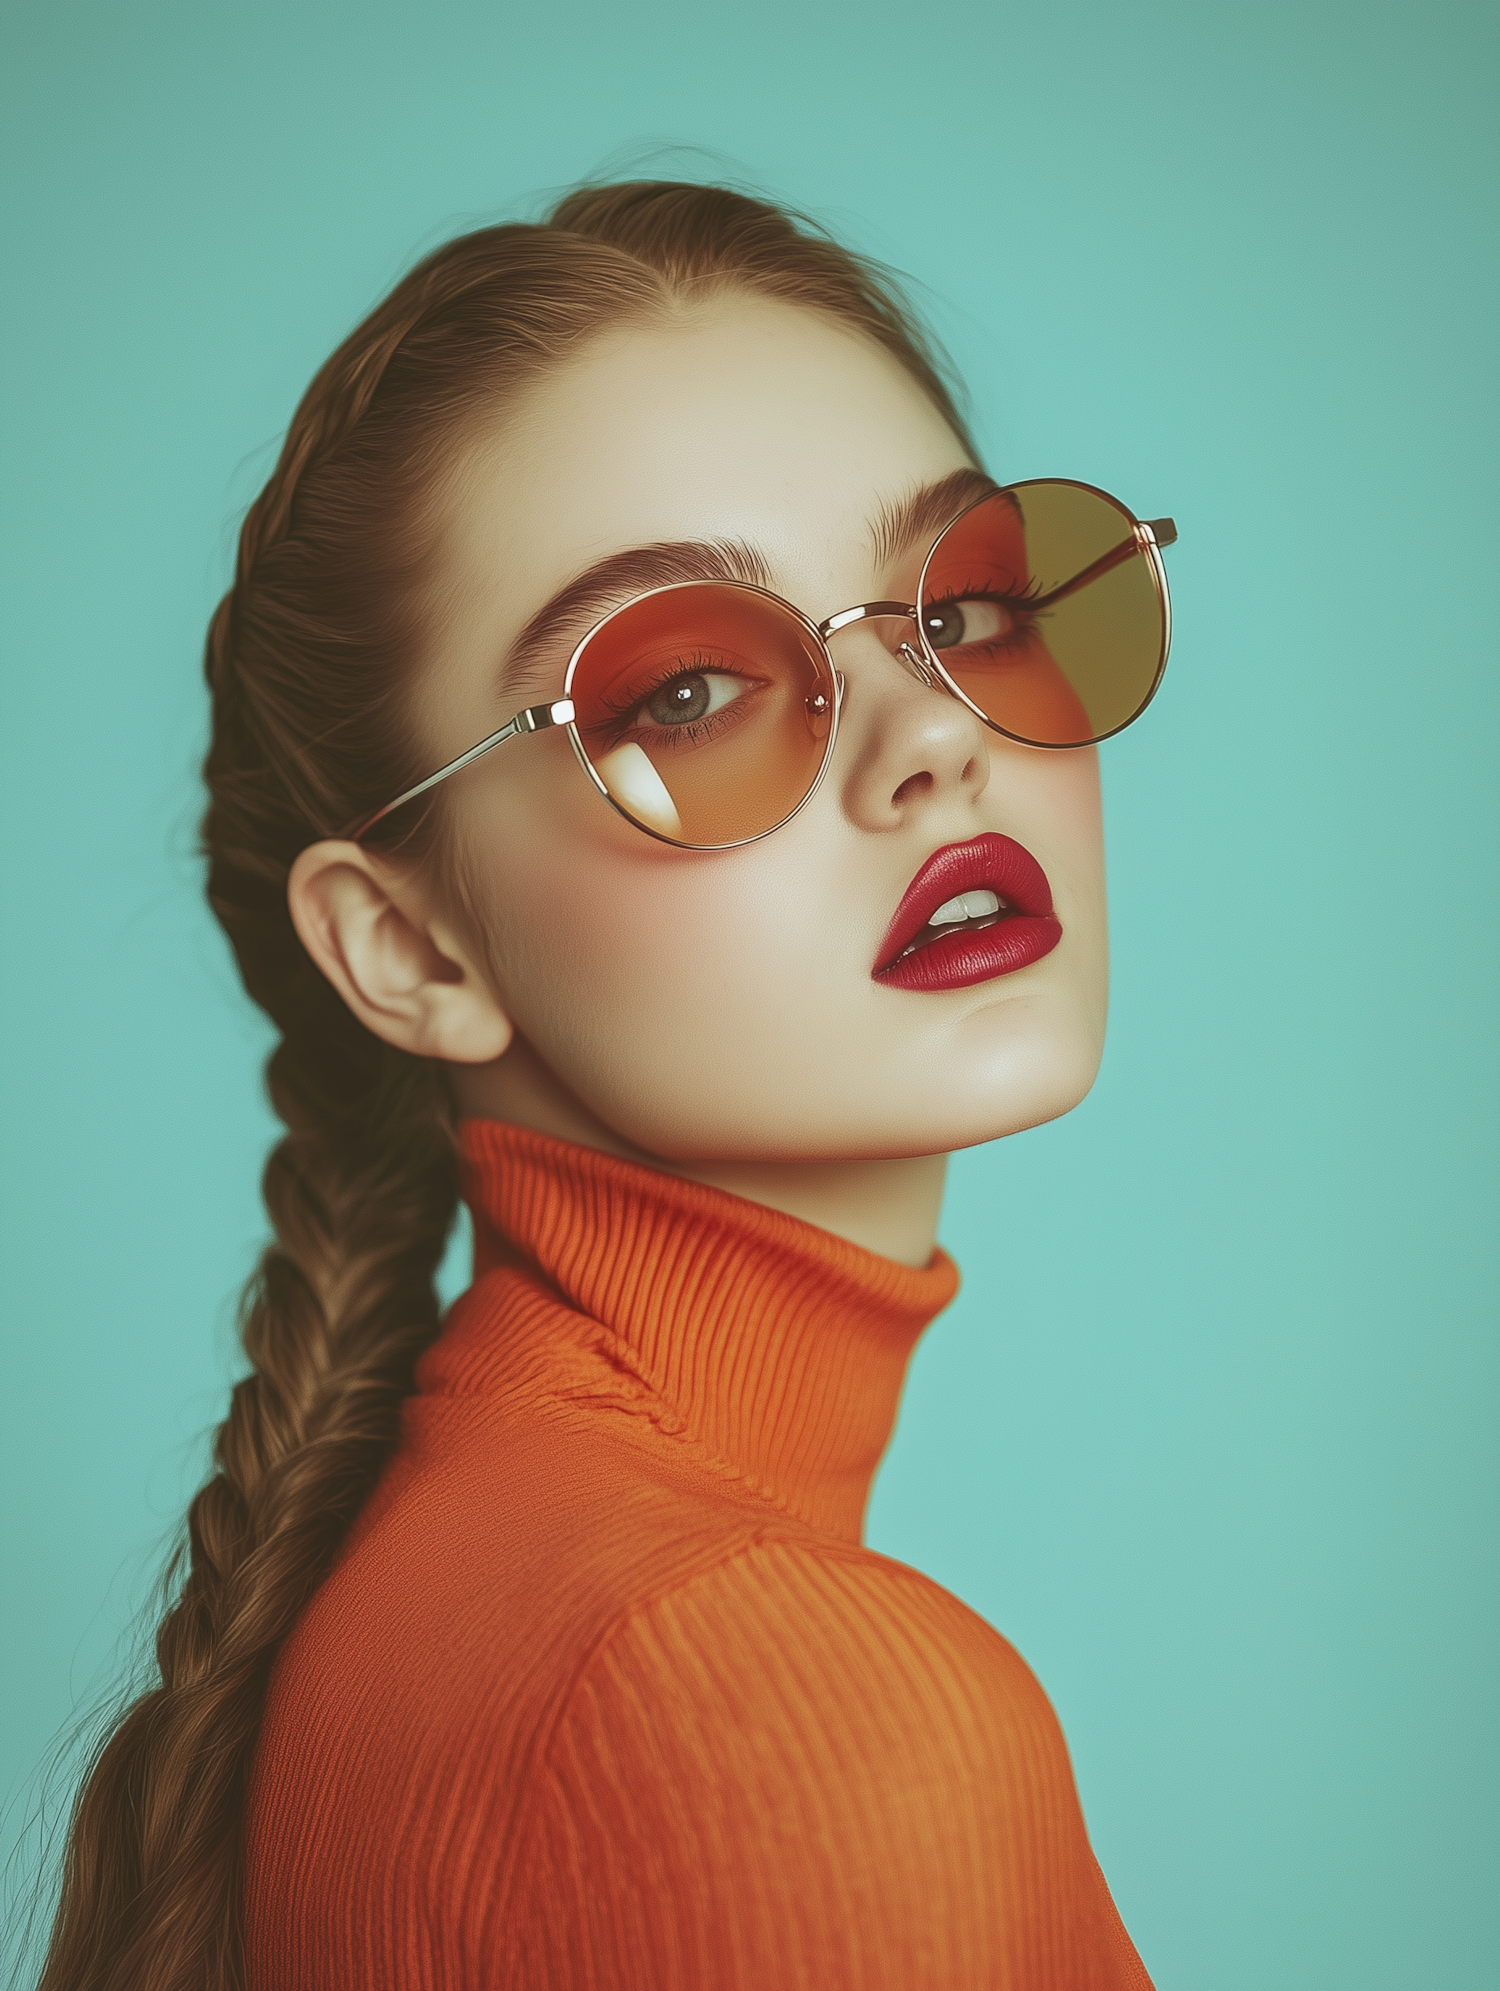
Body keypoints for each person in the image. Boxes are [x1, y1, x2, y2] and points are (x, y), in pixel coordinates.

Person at [39, 180, 1175, 1990]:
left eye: (970, 605)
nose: (935, 738)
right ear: (409, 946)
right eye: (695, 688)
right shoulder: (767, 1695)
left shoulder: (475, 1584)